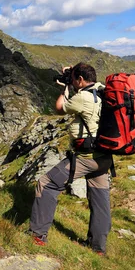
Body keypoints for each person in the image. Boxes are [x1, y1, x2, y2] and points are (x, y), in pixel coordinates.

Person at [29, 62, 112, 255]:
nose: (73, 82)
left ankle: (37, 235)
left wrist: (66, 87)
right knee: (100, 200)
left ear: (80, 80)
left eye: (75, 79)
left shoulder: (82, 97)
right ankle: (98, 248)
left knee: (47, 184)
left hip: (86, 157)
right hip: (104, 157)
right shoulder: (102, 90)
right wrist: (71, 74)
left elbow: (59, 108)